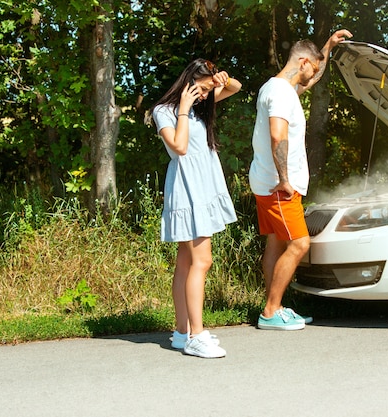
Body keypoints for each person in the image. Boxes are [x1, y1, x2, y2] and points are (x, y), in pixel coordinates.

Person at [249, 29, 353, 330]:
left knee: (276, 245)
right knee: (300, 244)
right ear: (303, 62)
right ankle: (270, 312)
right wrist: (284, 179)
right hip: (278, 185)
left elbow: (312, 78)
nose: (314, 74)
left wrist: (329, 47)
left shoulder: (278, 88)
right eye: (314, 67)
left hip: (267, 181)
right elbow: (277, 135)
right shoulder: (281, 93)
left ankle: (275, 306)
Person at [148, 58, 242, 357]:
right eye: (200, 89)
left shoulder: (202, 105)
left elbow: (237, 87)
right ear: (188, 83)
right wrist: (185, 108)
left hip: (203, 187)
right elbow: (179, 147)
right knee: (202, 261)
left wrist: (219, 82)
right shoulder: (164, 111)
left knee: (186, 263)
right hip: (187, 191)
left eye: (206, 91)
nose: (204, 95)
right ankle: (196, 336)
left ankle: (180, 332)